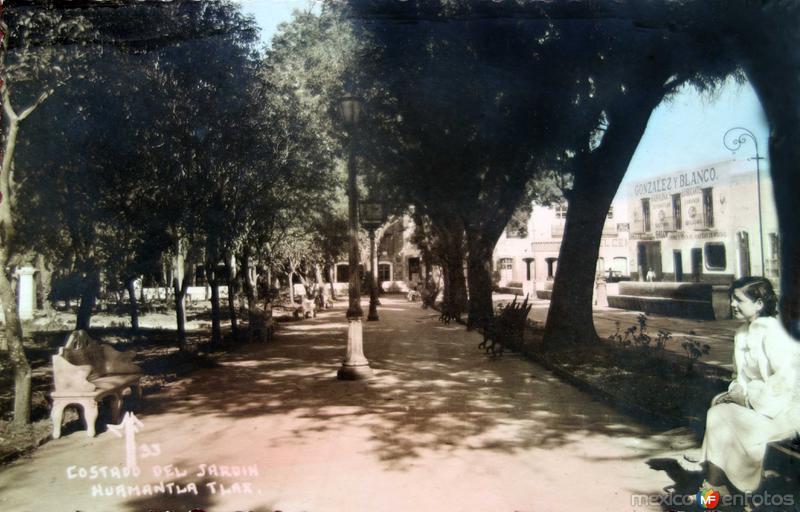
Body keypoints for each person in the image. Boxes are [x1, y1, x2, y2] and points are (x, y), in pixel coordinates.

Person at [688, 277, 800, 493]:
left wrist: (748, 400)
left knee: (719, 416)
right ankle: (716, 489)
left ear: (759, 304)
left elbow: (786, 380)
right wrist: (736, 392)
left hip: (783, 410)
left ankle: (714, 491)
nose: (732, 304)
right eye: (732, 299)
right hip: (760, 405)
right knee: (719, 412)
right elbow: (740, 377)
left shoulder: (774, 332)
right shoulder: (743, 333)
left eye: (739, 300)